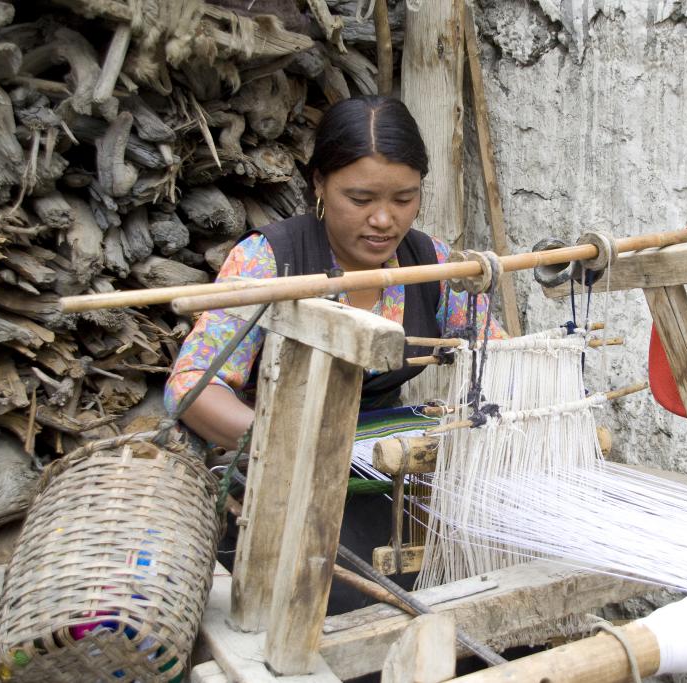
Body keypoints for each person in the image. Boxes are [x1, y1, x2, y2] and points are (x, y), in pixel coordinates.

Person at [164, 94, 505, 612]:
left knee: (465, 587)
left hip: (384, 471)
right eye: (361, 198)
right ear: (320, 184)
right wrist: (285, 444)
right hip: (281, 477)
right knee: (337, 601)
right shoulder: (269, 260)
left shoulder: (428, 262)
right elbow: (193, 387)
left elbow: (495, 353)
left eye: (405, 198)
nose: (385, 220)